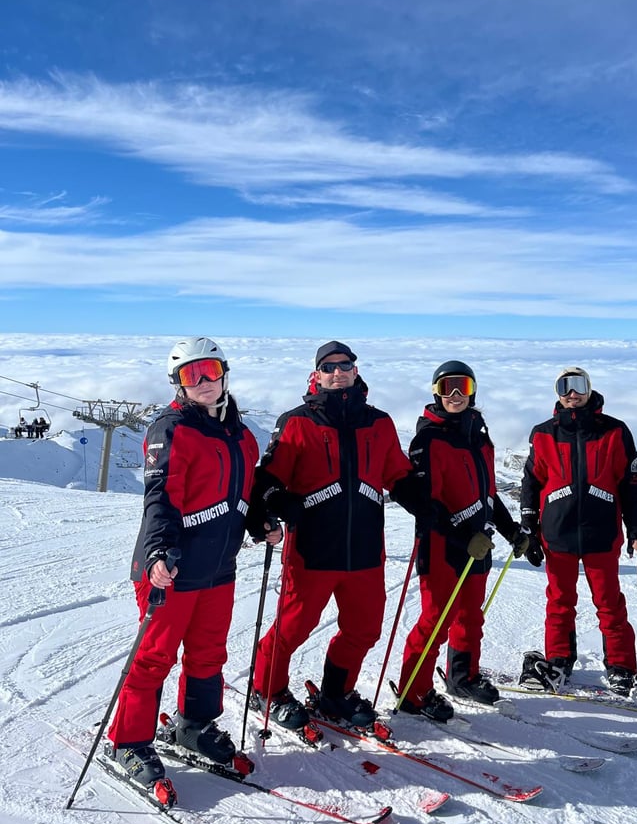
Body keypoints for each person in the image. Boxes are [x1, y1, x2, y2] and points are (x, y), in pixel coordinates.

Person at [106, 336, 281, 786]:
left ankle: (194, 725)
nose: (203, 382)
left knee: (208, 654)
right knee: (153, 658)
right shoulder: (171, 429)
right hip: (172, 569)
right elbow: (159, 497)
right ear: (178, 383)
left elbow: (241, 495)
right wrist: (159, 552)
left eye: (210, 372)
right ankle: (128, 742)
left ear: (224, 374)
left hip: (219, 567)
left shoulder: (241, 434)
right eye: (191, 375)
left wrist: (260, 521)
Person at [250, 340, 422, 730]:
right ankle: (267, 689)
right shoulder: (299, 421)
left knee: (364, 629)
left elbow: (397, 473)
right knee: (292, 628)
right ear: (316, 375)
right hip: (312, 548)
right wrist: (278, 499)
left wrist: (422, 502)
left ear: (356, 371)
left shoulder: (379, 422)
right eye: (328, 367)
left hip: (364, 550)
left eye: (345, 365)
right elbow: (271, 477)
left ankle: (336, 693)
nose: (337, 371)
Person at [518, 367, 637, 700]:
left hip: (601, 532)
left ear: (590, 389)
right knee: (559, 602)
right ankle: (558, 661)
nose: (572, 393)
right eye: (564, 386)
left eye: (579, 385)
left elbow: (631, 486)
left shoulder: (614, 432)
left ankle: (621, 668)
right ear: (556, 392)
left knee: (609, 603)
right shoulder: (543, 433)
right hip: (557, 534)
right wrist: (529, 526)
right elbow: (531, 481)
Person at [395, 361, 528, 722]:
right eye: (448, 387)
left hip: (478, 542)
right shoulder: (428, 439)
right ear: (435, 392)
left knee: (470, 616)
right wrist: (462, 534)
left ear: (473, 391)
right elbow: (425, 504)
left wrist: (509, 529)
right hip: (442, 544)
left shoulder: (478, 435)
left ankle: (462, 677)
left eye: (463, 387)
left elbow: (487, 494)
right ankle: (413, 691)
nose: (455, 395)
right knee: (437, 619)